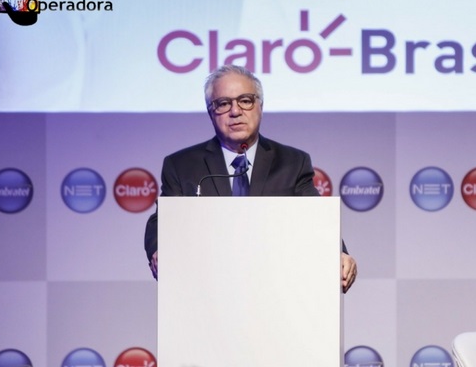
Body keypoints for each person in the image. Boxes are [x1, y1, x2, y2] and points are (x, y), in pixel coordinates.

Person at [144, 64, 357, 292]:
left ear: (260, 106)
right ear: (210, 112)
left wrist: (338, 253)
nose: (235, 111)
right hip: (207, 289)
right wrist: (160, 248)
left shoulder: (292, 162)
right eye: (223, 104)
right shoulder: (182, 165)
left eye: (245, 101)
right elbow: (163, 220)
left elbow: (315, 219)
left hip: (275, 289)